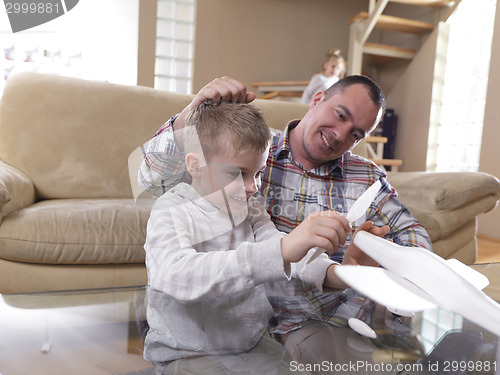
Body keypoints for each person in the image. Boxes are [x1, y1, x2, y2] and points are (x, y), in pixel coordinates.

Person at [139, 75, 433, 371]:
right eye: (341, 115)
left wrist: (345, 274)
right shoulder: (240, 144)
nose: (254, 186)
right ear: (317, 100)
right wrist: (188, 116)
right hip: (196, 347)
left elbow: (289, 249)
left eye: (356, 134)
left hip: (256, 337)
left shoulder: (251, 199)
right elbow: (175, 264)